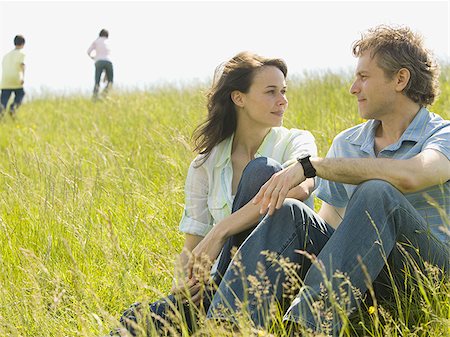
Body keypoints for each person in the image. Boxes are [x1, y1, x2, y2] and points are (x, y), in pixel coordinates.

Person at [206, 25, 450, 336]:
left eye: (364, 77)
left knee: (377, 191)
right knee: (293, 213)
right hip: (363, 280)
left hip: (428, 278)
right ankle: (226, 326)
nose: (353, 87)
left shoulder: (442, 135)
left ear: (400, 79)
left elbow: (413, 175)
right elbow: (331, 229)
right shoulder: (347, 142)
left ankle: (309, 328)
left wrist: (312, 166)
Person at [109, 51, 325, 336]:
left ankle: (220, 317)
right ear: (239, 98)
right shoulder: (205, 164)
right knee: (134, 320)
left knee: (262, 171)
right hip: (219, 282)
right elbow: (193, 244)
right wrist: (184, 287)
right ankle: (207, 309)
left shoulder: (296, 141)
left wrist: (221, 229)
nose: (283, 100)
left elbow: (300, 188)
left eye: (283, 91)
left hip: (281, 275)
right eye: (271, 92)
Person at [1, 35, 26, 118]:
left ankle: (1, 115)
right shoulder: (21, 54)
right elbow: (22, 65)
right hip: (15, 79)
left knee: (3, 101)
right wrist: (22, 77)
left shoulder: (6, 56)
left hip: (5, 81)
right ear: (23, 44)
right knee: (20, 94)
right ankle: (13, 108)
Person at [87, 29, 113, 100]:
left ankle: (95, 97)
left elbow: (88, 51)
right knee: (110, 81)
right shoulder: (109, 42)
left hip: (99, 61)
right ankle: (104, 95)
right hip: (108, 62)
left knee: (97, 81)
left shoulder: (96, 41)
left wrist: (93, 57)